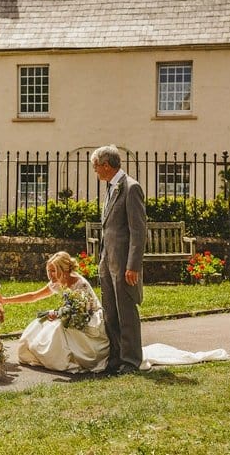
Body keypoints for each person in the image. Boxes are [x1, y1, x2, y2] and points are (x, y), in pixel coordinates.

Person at [1, 251, 109, 373]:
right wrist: (5, 300)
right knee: (38, 323)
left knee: (58, 329)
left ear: (64, 270)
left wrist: (59, 314)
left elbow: (84, 310)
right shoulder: (57, 282)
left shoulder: (80, 283)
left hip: (87, 318)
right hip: (68, 315)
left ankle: (63, 359)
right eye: (49, 270)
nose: (50, 274)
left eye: (53, 270)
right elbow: (34, 296)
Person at [92, 144, 147, 375]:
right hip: (108, 260)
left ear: (106, 165)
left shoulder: (131, 188)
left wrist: (133, 265)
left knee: (126, 312)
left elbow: (138, 231)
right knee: (111, 311)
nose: (95, 171)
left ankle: (131, 360)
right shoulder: (110, 187)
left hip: (124, 263)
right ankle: (115, 357)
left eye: (96, 166)